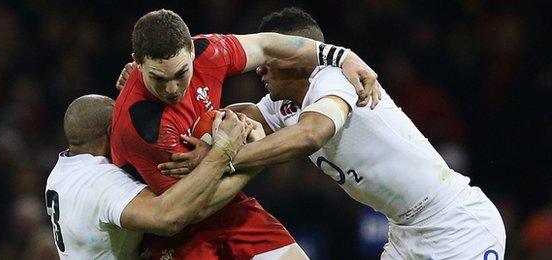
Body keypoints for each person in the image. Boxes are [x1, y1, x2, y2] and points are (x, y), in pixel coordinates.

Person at [158, 7, 507, 259]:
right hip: (405, 233)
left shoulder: (335, 80)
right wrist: (155, 90)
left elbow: (310, 135)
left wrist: (221, 156)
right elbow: (235, 118)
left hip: (457, 224)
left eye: (270, 57)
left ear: (294, 56)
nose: (259, 67)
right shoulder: (284, 105)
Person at [111, 8, 381, 259]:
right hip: (174, 226)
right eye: (159, 78)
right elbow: (190, 210)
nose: (172, 89)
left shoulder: (211, 52)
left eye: (181, 73)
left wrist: (343, 56)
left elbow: (266, 44)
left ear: (192, 51)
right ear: (137, 63)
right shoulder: (144, 123)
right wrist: (248, 154)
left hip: (224, 201)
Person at [44, 94, 253, 259]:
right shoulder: (99, 181)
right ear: (112, 131)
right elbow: (168, 218)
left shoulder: (62, 172)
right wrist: (227, 153)